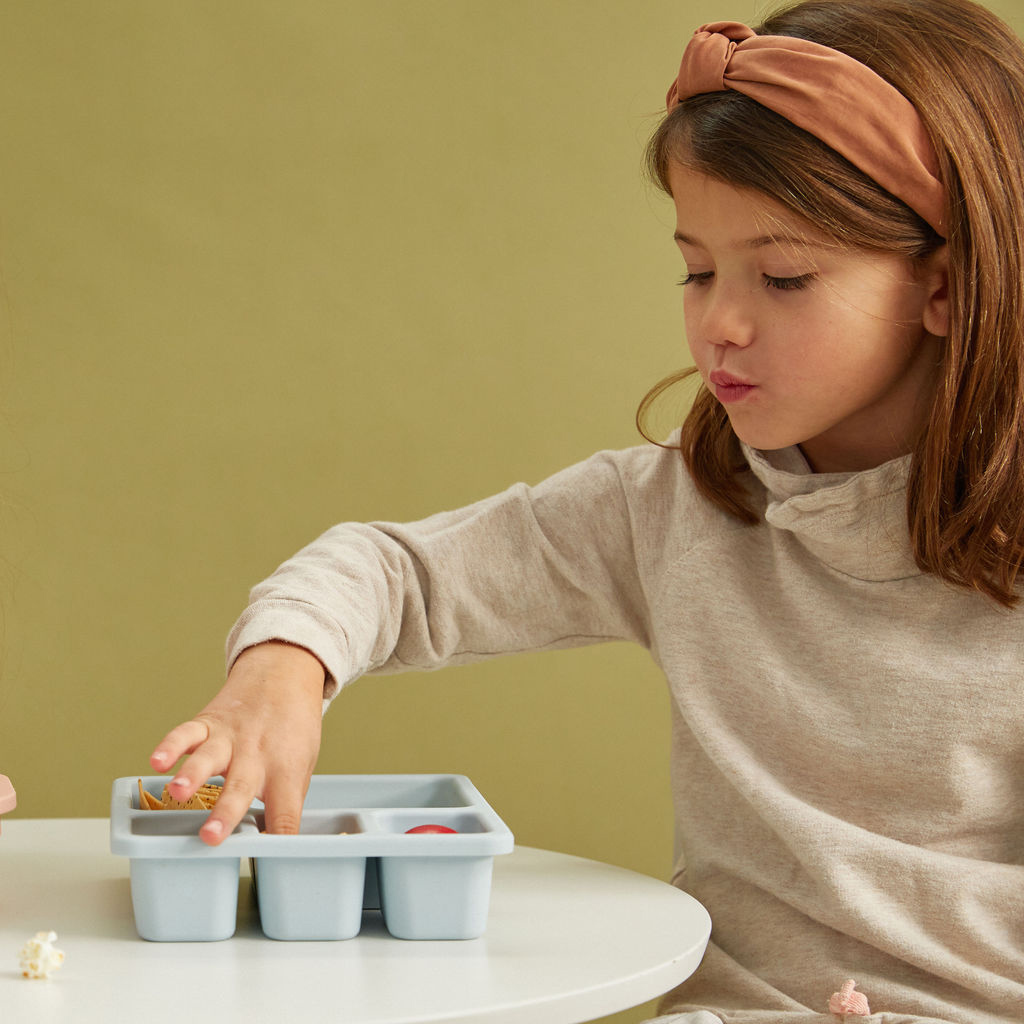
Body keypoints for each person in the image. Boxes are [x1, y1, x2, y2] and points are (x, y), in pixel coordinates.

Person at [151, 1, 1024, 1020]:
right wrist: (285, 668)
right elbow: (395, 572)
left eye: (783, 277)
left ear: (949, 287)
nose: (719, 323)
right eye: (697, 270)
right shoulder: (673, 512)